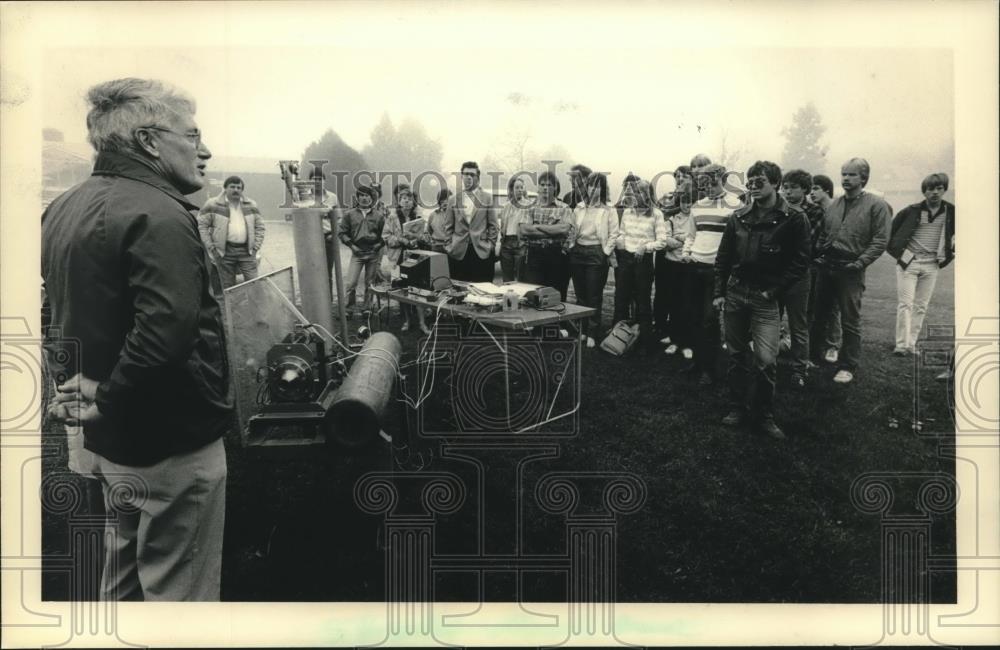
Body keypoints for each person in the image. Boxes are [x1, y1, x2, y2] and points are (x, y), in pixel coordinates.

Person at [41, 78, 230, 601]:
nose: (206, 149)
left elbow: (56, 311)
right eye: (192, 135)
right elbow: (165, 335)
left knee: (121, 583)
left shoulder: (62, 207)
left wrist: (83, 391)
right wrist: (108, 396)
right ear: (149, 142)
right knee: (178, 597)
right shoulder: (161, 214)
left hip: (108, 441)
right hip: (167, 441)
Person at [714, 161, 811, 440]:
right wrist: (719, 292)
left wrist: (774, 292)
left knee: (766, 360)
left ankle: (764, 415)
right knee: (736, 355)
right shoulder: (739, 216)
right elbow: (723, 259)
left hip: (766, 299)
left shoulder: (794, 217)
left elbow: (801, 262)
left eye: (760, 182)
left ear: (776, 183)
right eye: (750, 182)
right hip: (735, 294)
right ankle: (736, 407)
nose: (753, 187)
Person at [810, 158, 891, 384]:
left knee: (850, 319)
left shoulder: (876, 205)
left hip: (851, 268)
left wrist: (860, 262)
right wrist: (821, 254)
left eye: (852, 174)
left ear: (863, 178)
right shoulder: (834, 205)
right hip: (827, 267)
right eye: (844, 174)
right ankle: (815, 358)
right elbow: (826, 233)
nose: (846, 178)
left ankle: (848, 365)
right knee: (820, 315)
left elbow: (880, 239)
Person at [681, 163, 739, 385]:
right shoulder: (697, 206)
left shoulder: (734, 206)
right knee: (692, 317)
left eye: (713, 183)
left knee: (709, 320)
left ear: (722, 180)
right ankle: (697, 361)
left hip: (716, 271)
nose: (708, 188)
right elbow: (691, 235)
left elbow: (735, 243)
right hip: (694, 266)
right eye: (704, 184)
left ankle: (709, 368)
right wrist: (686, 252)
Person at [887, 172, 955, 354]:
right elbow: (889, 235)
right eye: (930, 189)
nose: (935, 192)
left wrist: (950, 253)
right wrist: (901, 256)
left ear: (944, 190)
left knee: (921, 306)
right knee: (905, 303)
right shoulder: (911, 210)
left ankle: (911, 344)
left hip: (932, 264)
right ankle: (901, 345)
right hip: (909, 263)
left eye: (939, 188)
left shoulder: (951, 211)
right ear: (924, 192)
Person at [777, 169, 826, 388]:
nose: (788, 192)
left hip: (798, 275)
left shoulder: (814, 212)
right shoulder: (777, 210)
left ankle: (799, 369)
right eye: (785, 187)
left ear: (805, 189)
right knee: (770, 319)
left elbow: (810, 246)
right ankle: (767, 361)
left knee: (798, 324)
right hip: (775, 274)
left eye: (793, 187)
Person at [613, 177, 667, 348]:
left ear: (648, 194)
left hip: (643, 262)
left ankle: (645, 342)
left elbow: (662, 241)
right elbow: (622, 233)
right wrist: (620, 242)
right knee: (621, 298)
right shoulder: (628, 212)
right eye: (634, 192)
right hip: (625, 259)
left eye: (639, 192)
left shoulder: (656, 214)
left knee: (642, 302)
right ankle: (617, 339)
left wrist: (646, 247)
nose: (635, 195)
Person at [568, 173, 619, 348]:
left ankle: (592, 333)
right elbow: (572, 231)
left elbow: (614, 234)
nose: (593, 189)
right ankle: (582, 331)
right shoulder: (579, 208)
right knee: (581, 295)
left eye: (597, 186)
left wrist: (605, 252)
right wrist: (571, 247)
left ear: (603, 189)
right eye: (591, 186)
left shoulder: (609, 210)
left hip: (597, 253)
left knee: (594, 295)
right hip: (578, 252)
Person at [197, 175, 265, 289]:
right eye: (232, 187)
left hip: (247, 252)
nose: (236, 190)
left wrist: (255, 248)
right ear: (225, 188)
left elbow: (260, 227)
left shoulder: (251, 204)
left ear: (242, 190)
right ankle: (232, 307)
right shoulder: (213, 204)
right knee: (228, 288)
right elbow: (202, 225)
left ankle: (253, 307)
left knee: (254, 285)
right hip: (225, 252)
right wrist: (212, 248)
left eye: (239, 188)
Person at [382, 183, 430, 333]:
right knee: (403, 289)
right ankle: (407, 320)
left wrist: (420, 238)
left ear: (413, 201)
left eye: (409, 198)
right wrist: (401, 240)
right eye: (403, 198)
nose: (406, 201)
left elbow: (427, 236)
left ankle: (422, 323)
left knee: (419, 289)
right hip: (398, 258)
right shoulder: (392, 217)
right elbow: (386, 237)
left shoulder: (420, 216)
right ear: (398, 200)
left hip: (416, 256)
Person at [521, 170, 574, 299]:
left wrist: (537, 226)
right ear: (538, 187)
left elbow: (563, 230)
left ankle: (557, 319)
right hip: (534, 255)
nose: (545, 187)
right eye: (542, 184)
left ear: (555, 187)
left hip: (556, 256)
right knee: (534, 294)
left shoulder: (564, 208)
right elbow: (524, 230)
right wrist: (552, 230)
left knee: (556, 295)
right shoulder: (530, 207)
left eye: (549, 185)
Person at [657, 179, 695, 357]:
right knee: (672, 303)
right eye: (684, 202)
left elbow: (696, 240)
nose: (687, 205)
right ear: (680, 203)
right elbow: (666, 241)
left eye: (690, 201)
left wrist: (681, 238)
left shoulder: (696, 218)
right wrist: (683, 239)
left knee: (686, 305)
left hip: (688, 265)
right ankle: (673, 340)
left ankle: (686, 342)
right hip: (671, 265)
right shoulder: (672, 219)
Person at [808, 174, 843, 363]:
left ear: (826, 190)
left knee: (833, 307)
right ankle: (815, 343)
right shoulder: (815, 211)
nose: (811, 193)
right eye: (811, 189)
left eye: (816, 189)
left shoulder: (836, 209)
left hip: (834, 263)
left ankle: (833, 345)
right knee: (815, 305)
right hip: (816, 263)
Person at [444, 161, 498, 282]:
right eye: (466, 174)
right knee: (458, 290)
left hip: (481, 251)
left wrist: (490, 245)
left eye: (472, 175)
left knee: (483, 291)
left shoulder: (487, 197)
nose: (469, 177)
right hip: (458, 252)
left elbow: (493, 225)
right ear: (462, 176)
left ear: (477, 177)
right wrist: (449, 246)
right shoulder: (453, 199)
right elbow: (448, 226)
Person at [338, 182, 386, 316]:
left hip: (373, 253)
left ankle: (367, 308)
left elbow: (386, 234)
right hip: (357, 252)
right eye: (361, 195)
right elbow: (342, 232)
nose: (364, 198)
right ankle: (349, 309)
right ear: (357, 198)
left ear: (372, 198)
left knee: (369, 283)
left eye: (367, 195)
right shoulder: (349, 214)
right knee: (351, 283)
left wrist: (378, 245)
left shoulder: (379, 215)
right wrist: (352, 246)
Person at [498, 175, 530, 282]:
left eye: (522, 187)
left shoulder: (529, 206)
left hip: (520, 243)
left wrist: (524, 242)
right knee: (507, 278)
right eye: (517, 188)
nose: (520, 190)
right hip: (506, 243)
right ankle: (508, 298)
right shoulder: (506, 206)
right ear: (511, 190)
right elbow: (502, 226)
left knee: (521, 277)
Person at [426, 187, 453, 254]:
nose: (445, 203)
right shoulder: (433, 215)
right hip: (436, 247)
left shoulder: (456, 214)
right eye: (442, 200)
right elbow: (429, 230)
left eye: (447, 200)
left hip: (451, 246)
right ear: (439, 202)